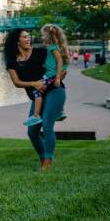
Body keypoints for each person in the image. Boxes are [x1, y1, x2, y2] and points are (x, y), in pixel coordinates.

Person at [4, 29, 66, 171]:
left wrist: (59, 76)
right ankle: (43, 158)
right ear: (16, 40)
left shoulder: (41, 52)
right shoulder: (12, 61)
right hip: (37, 97)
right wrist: (34, 84)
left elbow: (59, 63)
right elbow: (17, 82)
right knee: (32, 132)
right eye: (24, 37)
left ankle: (48, 162)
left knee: (47, 125)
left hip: (54, 92)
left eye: (28, 37)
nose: (28, 39)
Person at [23, 24, 69, 126]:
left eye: (43, 35)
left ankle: (36, 116)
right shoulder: (55, 47)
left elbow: (60, 61)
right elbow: (56, 61)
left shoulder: (53, 47)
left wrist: (57, 77)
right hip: (51, 73)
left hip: (51, 75)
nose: (42, 37)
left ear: (48, 36)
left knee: (37, 91)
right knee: (49, 88)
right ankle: (60, 112)